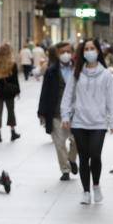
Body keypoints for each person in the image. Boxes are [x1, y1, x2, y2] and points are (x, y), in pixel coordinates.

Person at [60, 38, 113, 205]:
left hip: (99, 123)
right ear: (82, 52)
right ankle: (85, 191)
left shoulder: (106, 74)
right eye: (86, 48)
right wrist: (65, 115)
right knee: (83, 157)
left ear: (98, 51)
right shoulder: (76, 73)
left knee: (95, 155)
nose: (89, 51)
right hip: (79, 122)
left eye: (92, 48)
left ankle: (96, 185)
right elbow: (68, 95)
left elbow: (110, 100)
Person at [38, 42, 79, 181]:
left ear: (72, 52)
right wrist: (41, 112)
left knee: (77, 141)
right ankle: (65, 170)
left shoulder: (79, 69)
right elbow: (45, 92)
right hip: (56, 112)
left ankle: (72, 159)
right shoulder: (51, 71)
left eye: (68, 51)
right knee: (59, 143)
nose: (65, 54)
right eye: (62, 52)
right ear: (57, 54)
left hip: (75, 113)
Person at [0, 44, 22, 142]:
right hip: (9, 92)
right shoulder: (12, 64)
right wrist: (17, 91)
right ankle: (12, 132)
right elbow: (15, 80)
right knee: (11, 111)